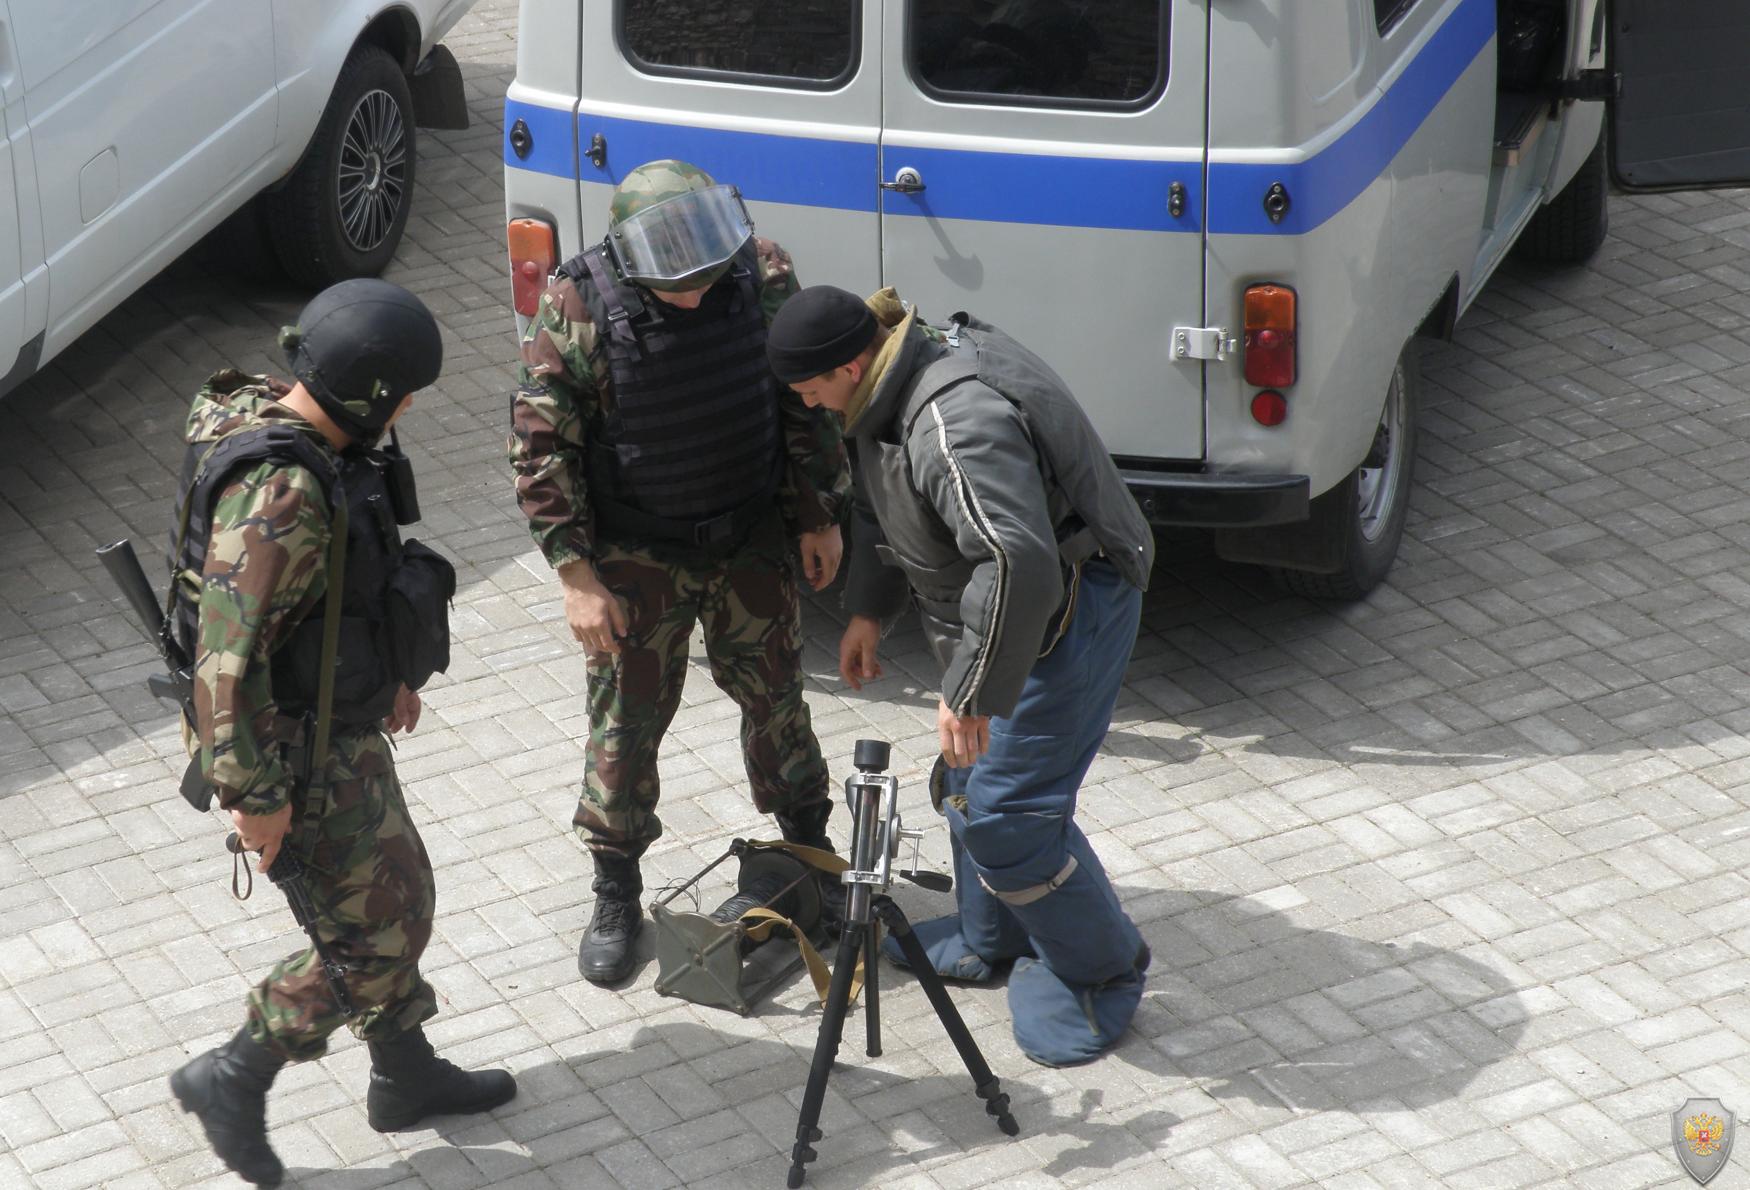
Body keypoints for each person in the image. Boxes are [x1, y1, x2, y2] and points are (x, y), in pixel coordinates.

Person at [166, 280, 516, 1187]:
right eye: (401, 394)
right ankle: (236, 1073)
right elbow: (223, 663)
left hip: (332, 724)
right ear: (365, 391)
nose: (406, 411)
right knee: (384, 928)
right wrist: (255, 799)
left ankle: (404, 1075)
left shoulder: (313, 436)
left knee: (385, 894)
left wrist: (388, 669)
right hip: (285, 751)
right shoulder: (280, 495)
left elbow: (346, 590)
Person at [765, 285, 1156, 1068]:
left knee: (1008, 817)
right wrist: (870, 612)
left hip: (1072, 607)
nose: (802, 403)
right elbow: (888, 499)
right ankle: (994, 936)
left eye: (808, 387)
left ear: (849, 363)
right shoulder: (883, 388)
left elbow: (1019, 561)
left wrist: (970, 691)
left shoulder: (954, 421)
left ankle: (1100, 973)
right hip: (1023, 608)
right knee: (964, 782)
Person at [510, 159, 852, 985]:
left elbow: (799, 407)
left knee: (777, 703)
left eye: (705, 276)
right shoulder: (578, 303)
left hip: (747, 540)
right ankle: (616, 888)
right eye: (677, 285)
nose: (697, 293)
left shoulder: (758, 270)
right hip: (637, 556)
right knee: (625, 724)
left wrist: (817, 510)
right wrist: (576, 576)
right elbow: (541, 445)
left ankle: (812, 855)